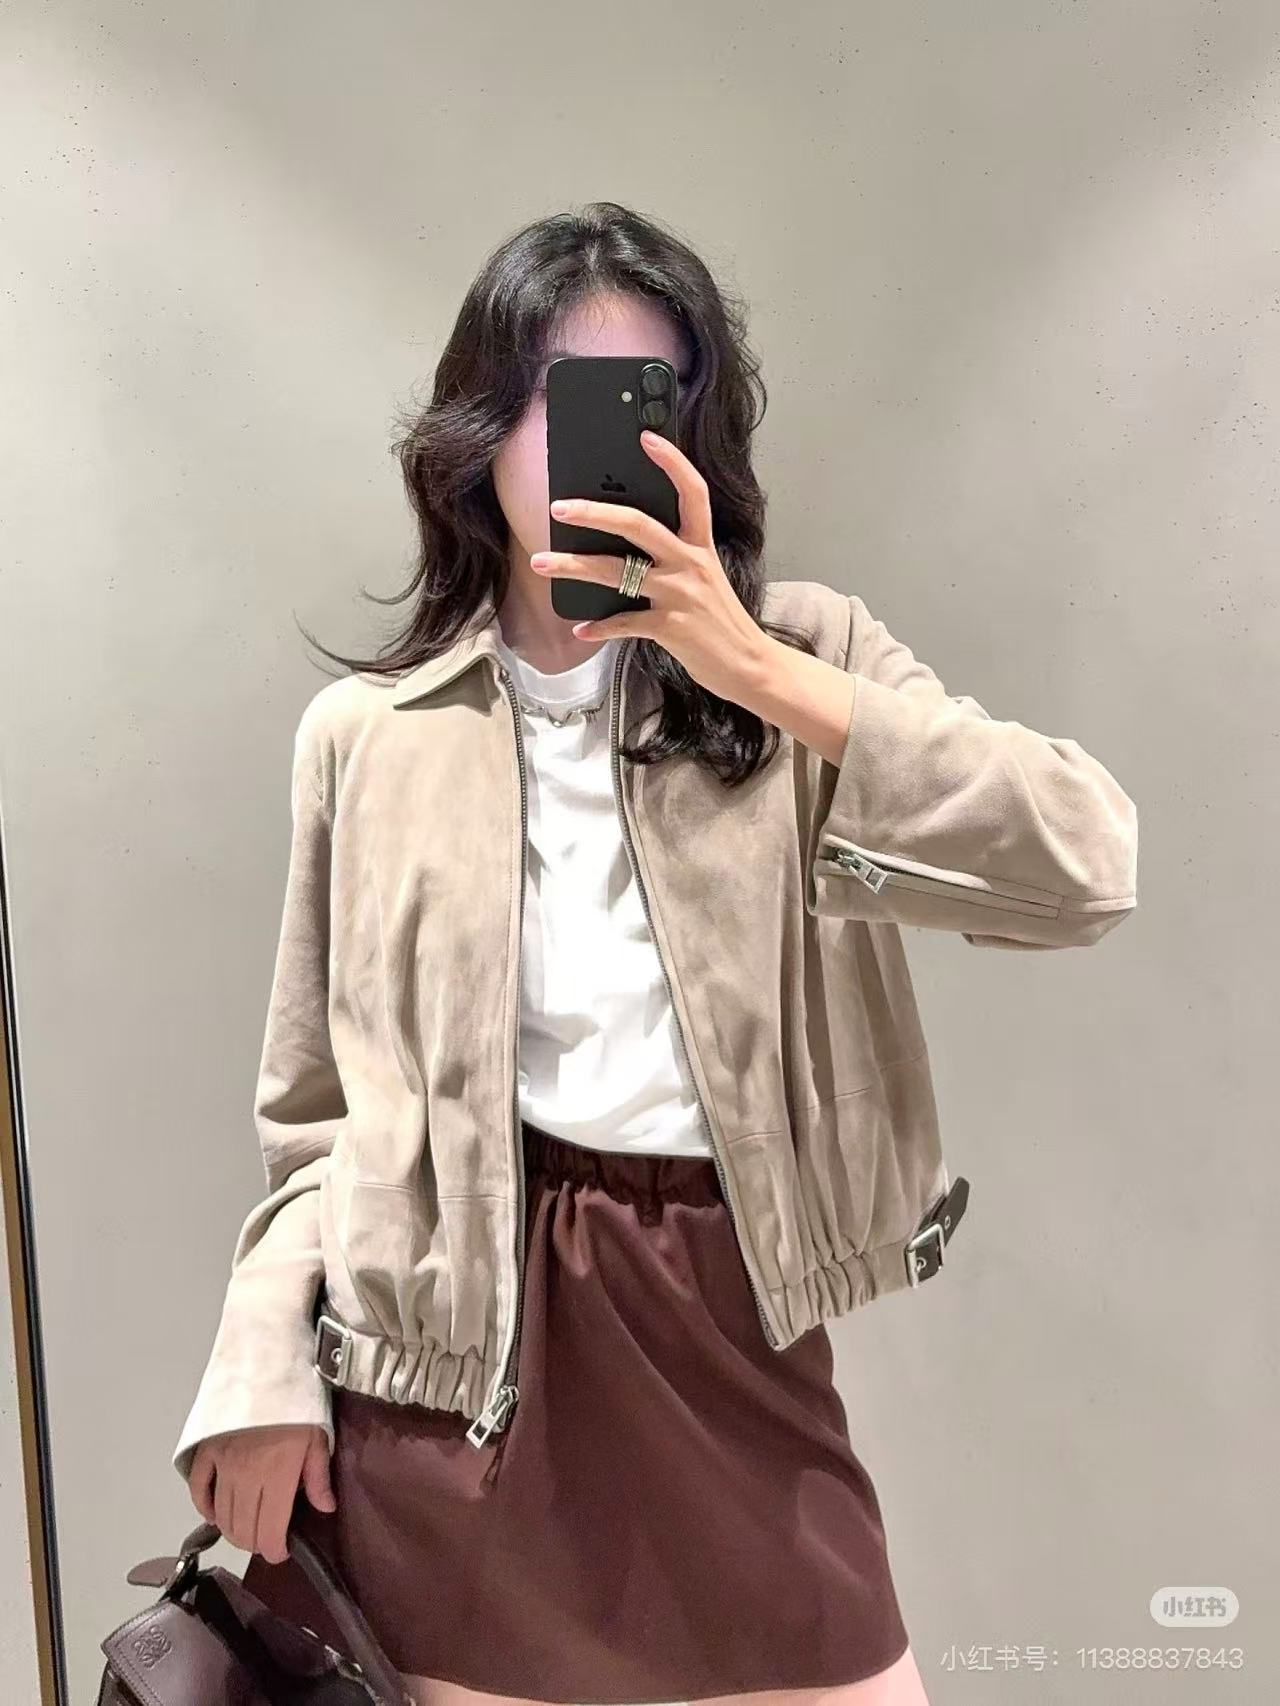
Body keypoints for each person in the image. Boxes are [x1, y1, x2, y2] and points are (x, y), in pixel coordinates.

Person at [174, 201, 1137, 1706]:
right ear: (481, 430)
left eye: (640, 400)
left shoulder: (801, 663)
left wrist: (754, 668)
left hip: (719, 1322)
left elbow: (1084, 866)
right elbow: (316, 1122)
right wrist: (259, 1367)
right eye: (556, 399)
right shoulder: (369, 736)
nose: (593, 450)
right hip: (457, 1365)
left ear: (692, 434)